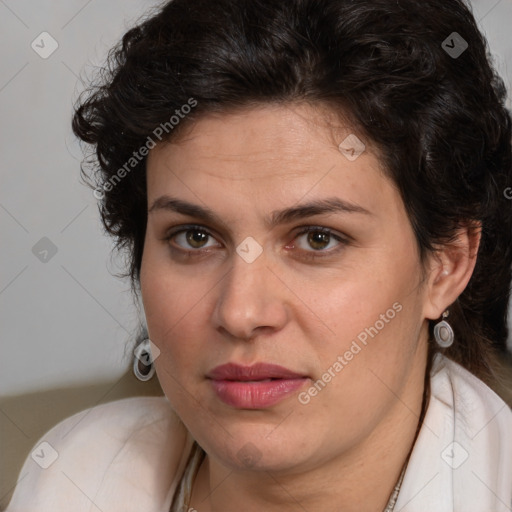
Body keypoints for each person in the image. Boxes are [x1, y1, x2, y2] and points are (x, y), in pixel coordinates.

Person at [6, 0, 512, 510]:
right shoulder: (70, 479)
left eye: (318, 238)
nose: (240, 313)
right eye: (194, 237)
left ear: (446, 264)